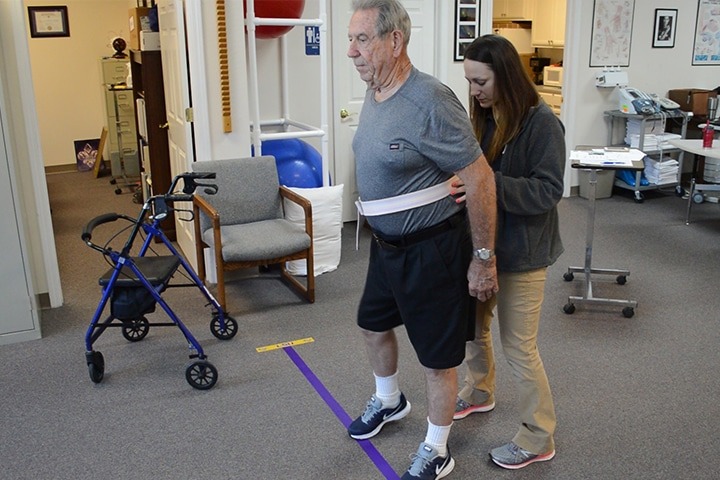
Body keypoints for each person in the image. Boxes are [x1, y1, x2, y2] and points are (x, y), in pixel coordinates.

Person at [345, 1, 498, 479]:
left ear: (395, 41)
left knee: (437, 359)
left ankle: (437, 448)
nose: (351, 52)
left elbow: (479, 179)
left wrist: (483, 259)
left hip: (431, 250)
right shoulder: (376, 89)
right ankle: (390, 401)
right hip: (385, 249)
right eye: (350, 40)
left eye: (362, 40)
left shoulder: (430, 100)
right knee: (372, 324)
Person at [450, 34, 565, 470]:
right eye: (469, 81)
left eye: (481, 81)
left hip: (524, 253)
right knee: (474, 328)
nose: (474, 91)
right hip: (484, 245)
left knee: (519, 347)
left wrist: (488, 184)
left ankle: (538, 437)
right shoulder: (484, 117)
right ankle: (479, 391)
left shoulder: (542, 123)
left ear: (506, 76)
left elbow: (548, 191)